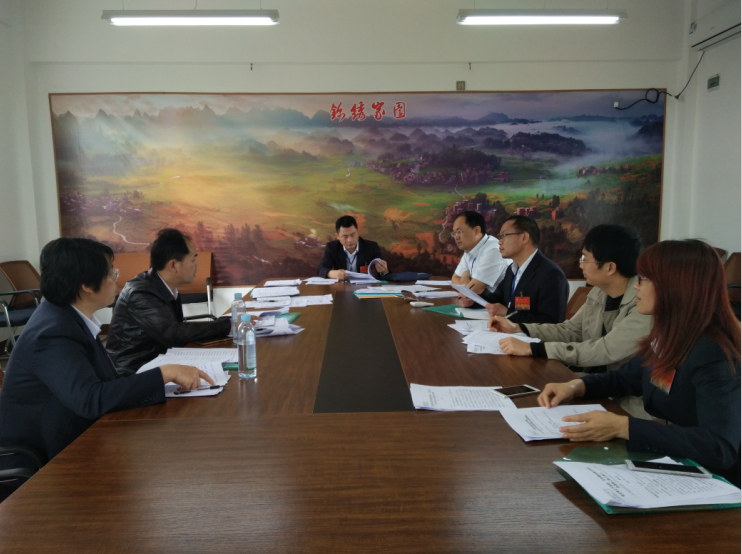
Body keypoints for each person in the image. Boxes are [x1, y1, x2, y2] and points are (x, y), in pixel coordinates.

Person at [0, 238, 212, 476]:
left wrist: (162, 381)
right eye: (111, 272)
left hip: (76, 436)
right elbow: (91, 399)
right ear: (86, 285)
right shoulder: (52, 332)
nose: (116, 279)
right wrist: (165, 373)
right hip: (42, 465)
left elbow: (105, 384)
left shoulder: (68, 317)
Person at [538, 240, 740, 486]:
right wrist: (576, 387)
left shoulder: (714, 352)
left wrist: (624, 427)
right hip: (677, 460)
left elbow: (719, 447)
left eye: (643, 279)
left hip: (716, 482)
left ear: (674, 286)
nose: (636, 286)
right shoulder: (670, 333)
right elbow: (627, 377)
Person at [489, 224, 651, 373]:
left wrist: (534, 349)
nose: (581, 265)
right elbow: (571, 330)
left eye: (585, 259)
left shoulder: (644, 304)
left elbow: (605, 349)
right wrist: (519, 328)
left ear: (610, 268)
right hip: (591, 377)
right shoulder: (599, 292)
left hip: (618, 390)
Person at [107, 228, 231, 375]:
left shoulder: (165, 286)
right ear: (173, 265)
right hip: (134, 371)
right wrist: (227, 324)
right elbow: (173, 334)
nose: (197, 265)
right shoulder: (140, 293)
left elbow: (175, 331)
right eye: (193, 259)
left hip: (160, 362)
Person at [460, 215, 568, 324]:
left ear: (524, 238)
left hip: (525, 335)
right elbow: (496, 298)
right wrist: (473, 301)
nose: (499, 242)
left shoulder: (551, 275)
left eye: (504, 235)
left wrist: (508, 314)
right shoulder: (512, 269)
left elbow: (552, 323)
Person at [450, 211, 508, 296]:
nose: (456, 237)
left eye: (459, 232)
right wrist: (467, 285)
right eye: (454, 233)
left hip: (501, 303)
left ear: (476, 230)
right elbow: (454, 279)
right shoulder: (470, 249)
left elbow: (472, 292)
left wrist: (464, 277)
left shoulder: (494, 250)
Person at [317, 215, 388, 280]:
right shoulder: (332, 247)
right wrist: (334, 274)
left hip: (364, 286)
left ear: (358, 232)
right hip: (341, 287)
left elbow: (385, 274)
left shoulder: (371, 247)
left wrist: (383, 271)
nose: (350, 240)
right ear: (337, 236)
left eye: (353, 235)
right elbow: (321, 269)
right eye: (345, 236)